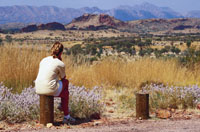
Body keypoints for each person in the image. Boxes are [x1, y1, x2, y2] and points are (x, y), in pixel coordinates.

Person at [35, 41, 75, 124]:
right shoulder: (60, 63)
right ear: (61, 52)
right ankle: (66, 115)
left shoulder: (43, 60)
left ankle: (62, 105)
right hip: (49, 89)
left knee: (64, 93)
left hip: (38, 88)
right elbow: (63, 78)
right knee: (66, 85)